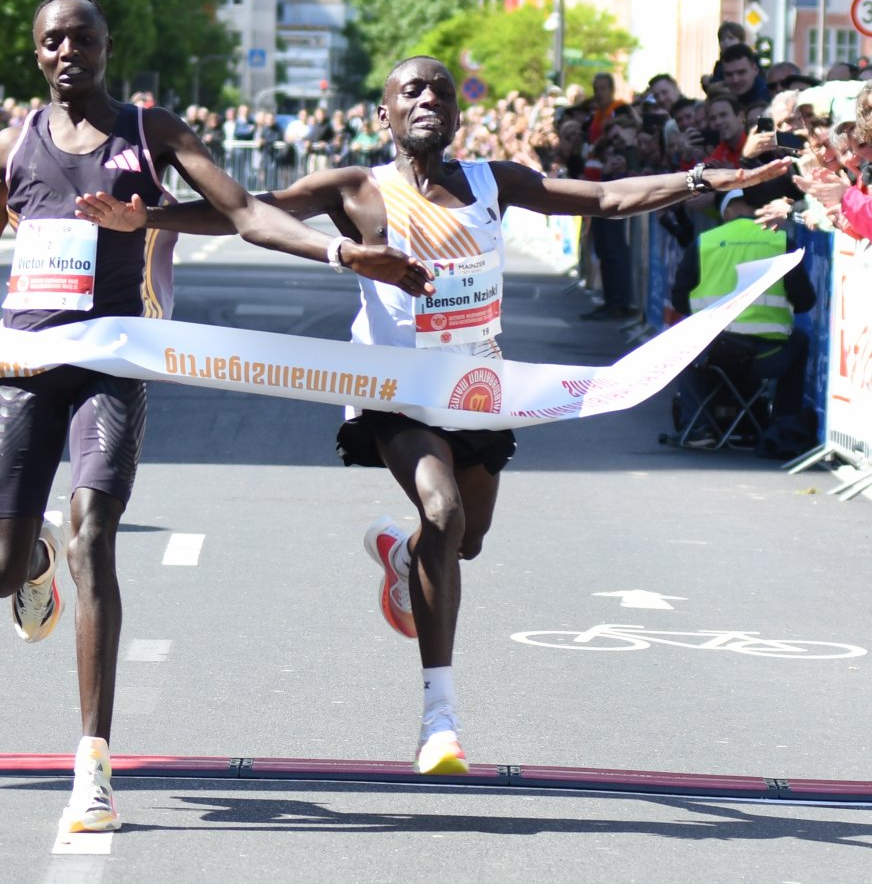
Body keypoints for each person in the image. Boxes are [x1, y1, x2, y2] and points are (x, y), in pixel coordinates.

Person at [0, 0, 429, 835]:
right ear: (37, 55)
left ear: (105, 46)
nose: (67, 51)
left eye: (81, 37)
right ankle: (33, 562)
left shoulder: (150, 135)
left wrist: (347, 253)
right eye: (51, 39)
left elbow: (243, 212)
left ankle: (92, 763)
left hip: (113, 367)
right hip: (23, 366)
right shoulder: (10, 147)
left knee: (97, 533)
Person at [76, 55, 790, 776]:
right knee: (444, 515)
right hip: (396, 390)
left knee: (464, 540)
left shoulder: (492, 182)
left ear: (455, 115)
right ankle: (439, 718)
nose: (427, 99)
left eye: (440, 91)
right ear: (383, 114)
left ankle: (401, 552)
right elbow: (250, 210)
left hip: (478, 391)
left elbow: (604, 199)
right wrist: (151, 218)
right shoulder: (356, 188)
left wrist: (703, 179)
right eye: (410, 90)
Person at [671, 191, 817, 454]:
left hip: (714, 354)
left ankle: (698, 428)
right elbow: (805, 300)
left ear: (727, 212)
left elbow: (680, 300)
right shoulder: (782, 241)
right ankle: (782, 427)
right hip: (768, 357)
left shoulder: (705, 241)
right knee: (800, 341)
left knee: (684, 341)